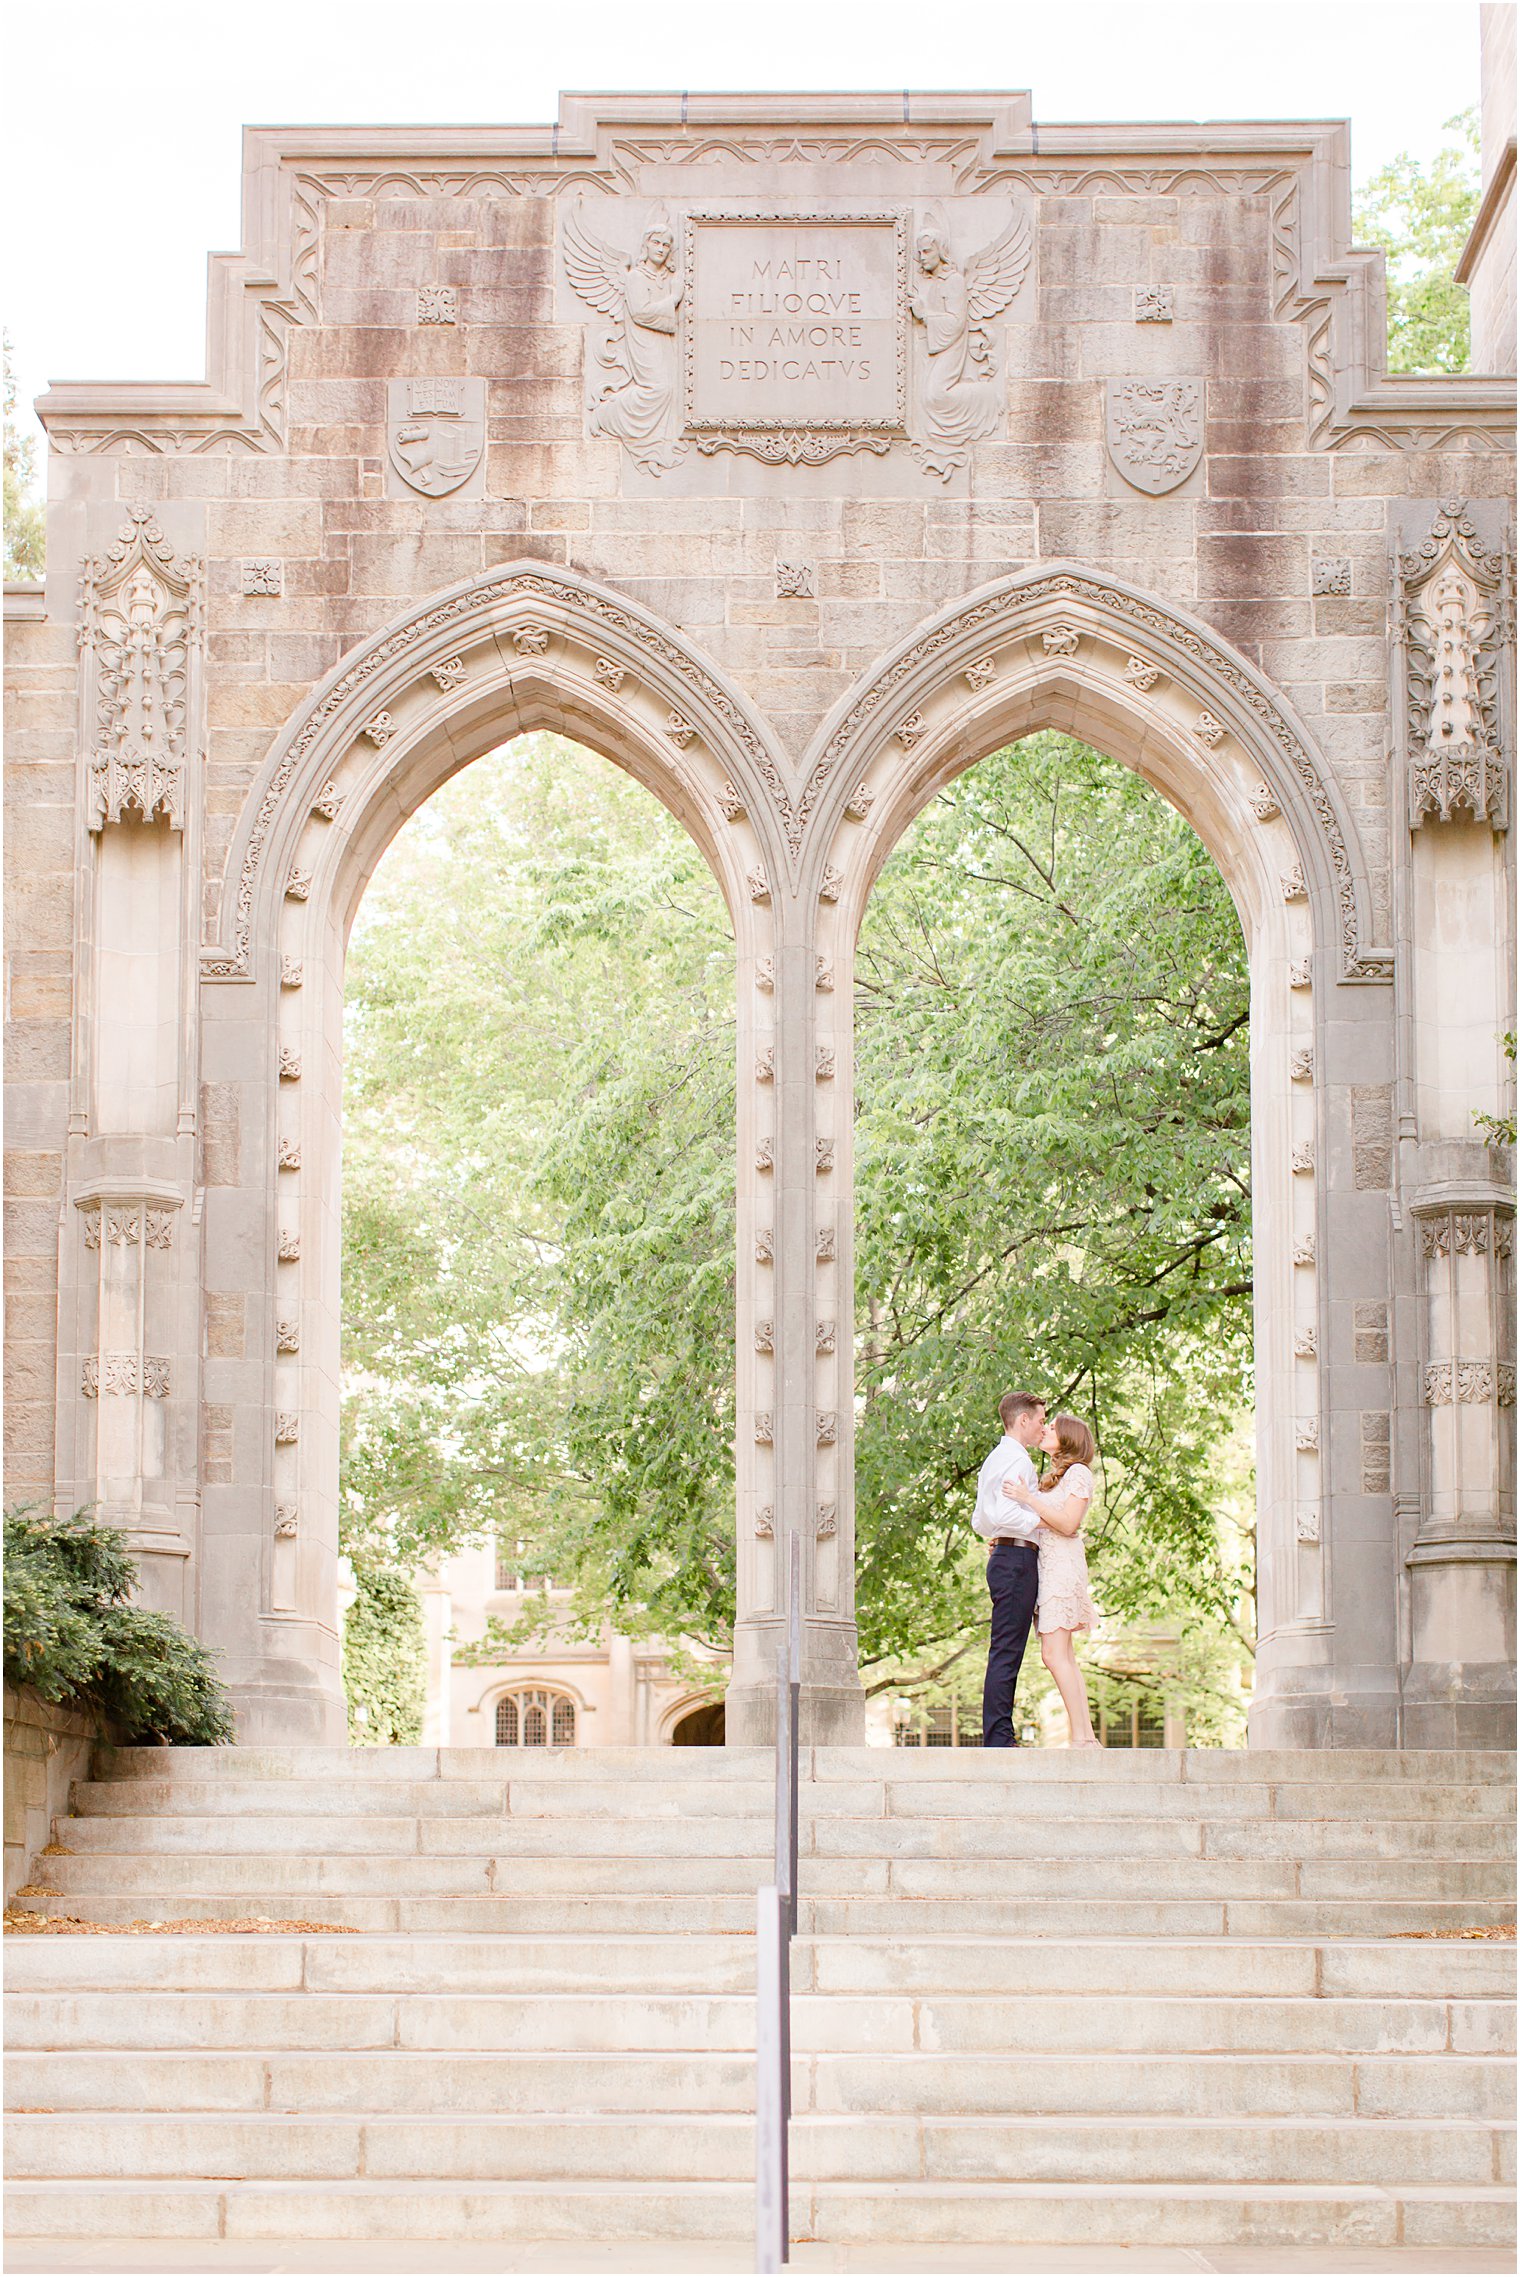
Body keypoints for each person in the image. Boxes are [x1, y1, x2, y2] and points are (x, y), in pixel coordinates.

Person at [1004, 1414, 1101, 1748]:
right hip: (1048, 1567)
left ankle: (1082, 1738)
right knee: (1063, 1656)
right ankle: (1085, 1736)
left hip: (1062, 1570)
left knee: (1054, 1654)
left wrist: (1027, 1499)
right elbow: (1048, 1522)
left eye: (1053, 1427)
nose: (1045, 1429)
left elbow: (1069, 1523)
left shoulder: (1078, 1473)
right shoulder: (1055, 1478)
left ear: (1070, 1438)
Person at [972, 1391, 1047, 1748]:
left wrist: (1004, 1533)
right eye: (1041, 1420)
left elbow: (981, 1520)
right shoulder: (1018, 1462)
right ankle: (999, 1738)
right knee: (1007, 1650)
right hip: (1016, 1560)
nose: (1042, 1427)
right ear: (1023, 1420)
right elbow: (1003, 1516)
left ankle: (999, 1734)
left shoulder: (994, 1459)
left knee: (1005, 1647)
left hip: (1003, 1557)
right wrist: (1042, 1518)